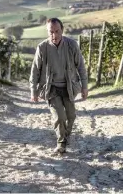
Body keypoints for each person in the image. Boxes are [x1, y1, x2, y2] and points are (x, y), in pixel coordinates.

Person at [29, 17, 88, 153]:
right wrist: (34, 91)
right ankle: (61, 142)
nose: (54, 35)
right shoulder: (42, 47)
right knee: (59, 117)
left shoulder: (72, 45)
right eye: (51, 32)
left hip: (69, 87)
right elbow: (35, 70)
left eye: (57, 31)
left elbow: (81, 67)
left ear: (62, 30)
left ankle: (65, 136)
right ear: (47, 32)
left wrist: (84, 86)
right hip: (51, 88)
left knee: (71, 116)